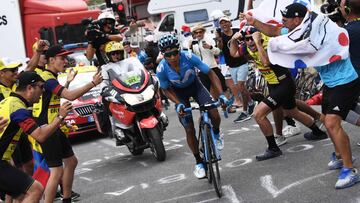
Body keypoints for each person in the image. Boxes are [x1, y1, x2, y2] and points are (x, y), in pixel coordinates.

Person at [243, 2, 360, 189]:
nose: (283, 23)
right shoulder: (297, 31)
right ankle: (341, 155)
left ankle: (349, 169)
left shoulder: (318, 26)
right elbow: (273, 31)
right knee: (329, 120)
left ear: (297, 19)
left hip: (345, 81)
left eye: (286, 20)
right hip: (330, 82)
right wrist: (253, 22)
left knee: (331, 122)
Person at [32, 44, 103, 202]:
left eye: (66, 58)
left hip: (54, 127)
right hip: (47, 129)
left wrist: (68, 82)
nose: (66, 61)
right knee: (56, 171)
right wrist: (93, 83)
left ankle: (67, 198)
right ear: (51, 60)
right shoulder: (47, 78)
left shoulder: (50, 77)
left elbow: (55, 98)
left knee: (71, 161)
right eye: (62, 58)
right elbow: (69, 96)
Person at [156, 34, 228, 179]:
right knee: (189, 128)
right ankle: (199, 162)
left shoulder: (189, 57)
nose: (172, 57)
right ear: (163, 55)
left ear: (179, 50)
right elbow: (166, 89)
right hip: (178, 94)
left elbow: (210, 73)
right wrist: (178, 104)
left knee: (213, 113)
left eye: (175, 53)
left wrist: (221, 95)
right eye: (167, 55)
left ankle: (216, 132)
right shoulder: (161, 68)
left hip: (196, 87)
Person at [0, 71, 72, 202]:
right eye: (41, 87)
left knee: (22, 195)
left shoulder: (10, 102)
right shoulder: (17, 108)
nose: (43, 92)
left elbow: (37, 129)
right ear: (29, 88)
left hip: (4, 161)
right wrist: (60, 117)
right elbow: (40, 136)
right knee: (36, 190)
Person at [216, 16, 255, 123]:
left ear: (230, 23)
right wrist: (218, 38)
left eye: (226, 22)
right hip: (231, 66)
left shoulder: (238, 31)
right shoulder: (222, 36)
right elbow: (219, 48)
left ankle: (245, 111)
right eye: (221, 23)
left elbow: (247, 40)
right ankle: (251, 103)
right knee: (241, 88)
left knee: (240, 86)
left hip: (242, 62)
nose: (224, 25)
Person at [189, 24, 228, 97]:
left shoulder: (209, 40)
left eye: (200, 32)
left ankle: (227, 105)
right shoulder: (193, 43)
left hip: (212, 67)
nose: (199, 34)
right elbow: (190, 56)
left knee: (222, 86)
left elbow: (218, 52)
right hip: (201, 69)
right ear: (194, 34)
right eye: (196, 33)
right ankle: (214, 104)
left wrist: (210, 47)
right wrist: (190, 47)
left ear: (203, 32)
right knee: (207, 89)